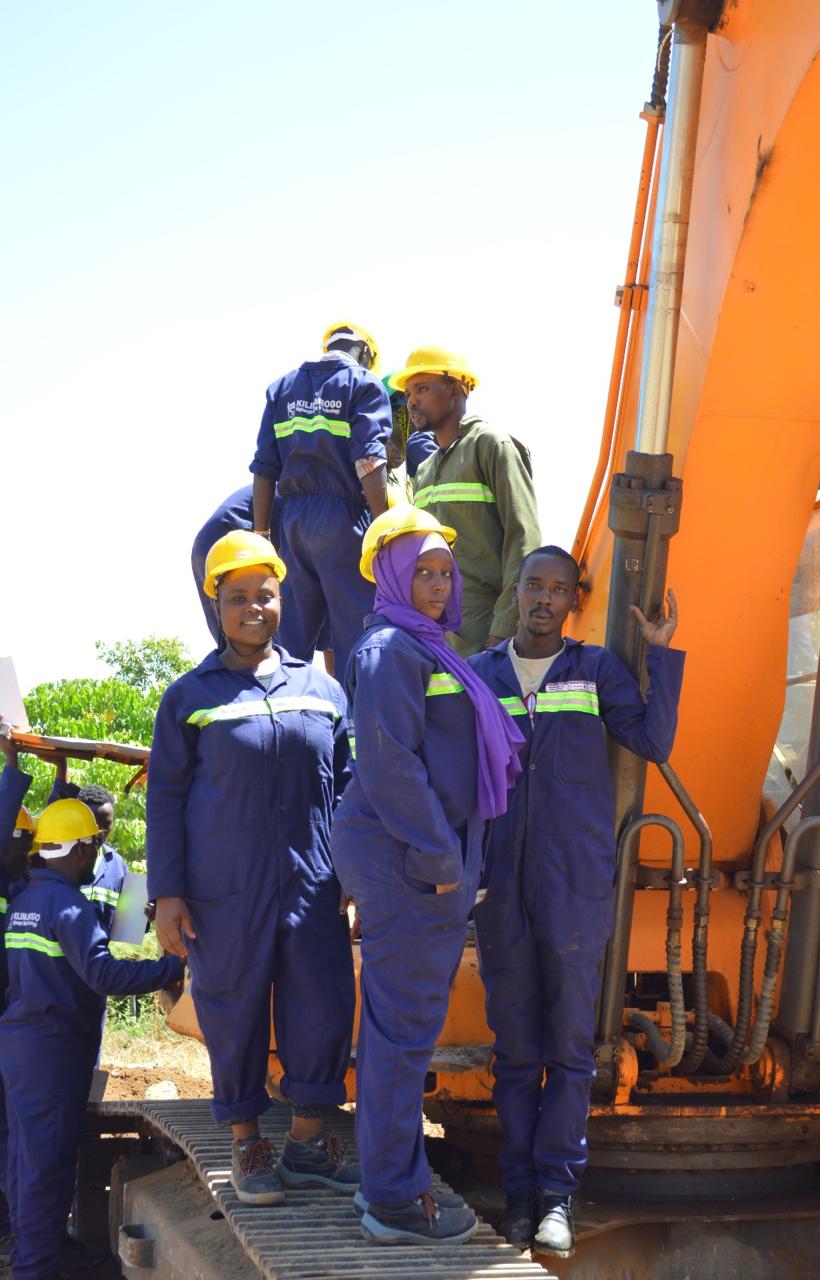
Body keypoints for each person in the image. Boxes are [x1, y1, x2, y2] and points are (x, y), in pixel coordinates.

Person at [468, 546, 684, 1258]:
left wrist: (662, 655)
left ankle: (556, 1195)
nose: (544, 598)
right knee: (515, 1047)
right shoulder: (481, 674)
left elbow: (652, 739)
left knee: (567, 1047)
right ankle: (520, 1192)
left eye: (559, 589)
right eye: (535, 584)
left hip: (573, 885)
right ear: (519, 591)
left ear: (572, 601)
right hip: (501, 885)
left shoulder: (593, 671)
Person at [331, 505, 525, 1247]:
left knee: (400, 1033)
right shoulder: (390, 652)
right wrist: (444, 864)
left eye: (446, 571)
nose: (441, 585)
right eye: (425, 572)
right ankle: (393, 1200)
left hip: (425, 860)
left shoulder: (431, 649)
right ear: (391, 576)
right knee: (403, 1036)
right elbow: (389, 767)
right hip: (408, 861)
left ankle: (386, 1186)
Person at [146, 530, 357, 1207]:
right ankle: (246, 1140)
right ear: (217, 606)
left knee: (321, 1004)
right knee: (232, 1009)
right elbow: (166, 799)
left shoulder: (322, 690)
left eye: (264, 595)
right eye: (238, 598)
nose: (253, 609)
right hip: (223, 893)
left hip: (313, 883)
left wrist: (354, 876)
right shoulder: (190, 697)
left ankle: (304, 1143)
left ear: (280, 598)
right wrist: (167, 895)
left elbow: (350, 789)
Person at [0, 798, 183, 1280]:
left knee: (24, 1158)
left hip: (21, 1045)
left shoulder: (23, 901)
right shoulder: (68, 905)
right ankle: (35, 1268)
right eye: (92, 847)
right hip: (54, 1052)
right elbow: (103, 973)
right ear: (80, 851)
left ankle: (44, 1251)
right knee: (45, 1166)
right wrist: (172, 967)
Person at [250, 321, 392, 679]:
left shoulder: (281, 388)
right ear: (365, 353)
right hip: (344, 522)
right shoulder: (363, 383)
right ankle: (355, 728)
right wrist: (383, 531)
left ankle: (281, 712)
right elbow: (369, 461)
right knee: (356, 636)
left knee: (290, 638)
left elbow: (265, 467)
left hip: (293, 525)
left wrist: (262, 536)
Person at [389, 347, 541, 656]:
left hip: (483, 627)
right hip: (434, 631)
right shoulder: (426, 469)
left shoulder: (491, 445)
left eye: (422, 389)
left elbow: (524, 540)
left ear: (456, 390)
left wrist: (504, 628)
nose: (412, 401)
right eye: (408, 394)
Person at [190, 486, 336, 672]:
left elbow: (333, 645)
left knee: (238, 654)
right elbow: (336, 640)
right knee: (277, 660)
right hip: (236, 537)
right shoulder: (342, 518)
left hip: (209, 544)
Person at [0, 746, 36, 1263]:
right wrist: (12, 765)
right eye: (24, 843)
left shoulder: (23, 886)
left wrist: (61, 776)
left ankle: (13, 1226)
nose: (31, 850)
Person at [49, 764, 128, 937]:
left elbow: (127, 927)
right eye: (93, 824)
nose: (99, 832)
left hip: (98, 960)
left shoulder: (118, 866)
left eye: (106, 825)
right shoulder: (61, 856)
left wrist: (147, 914)